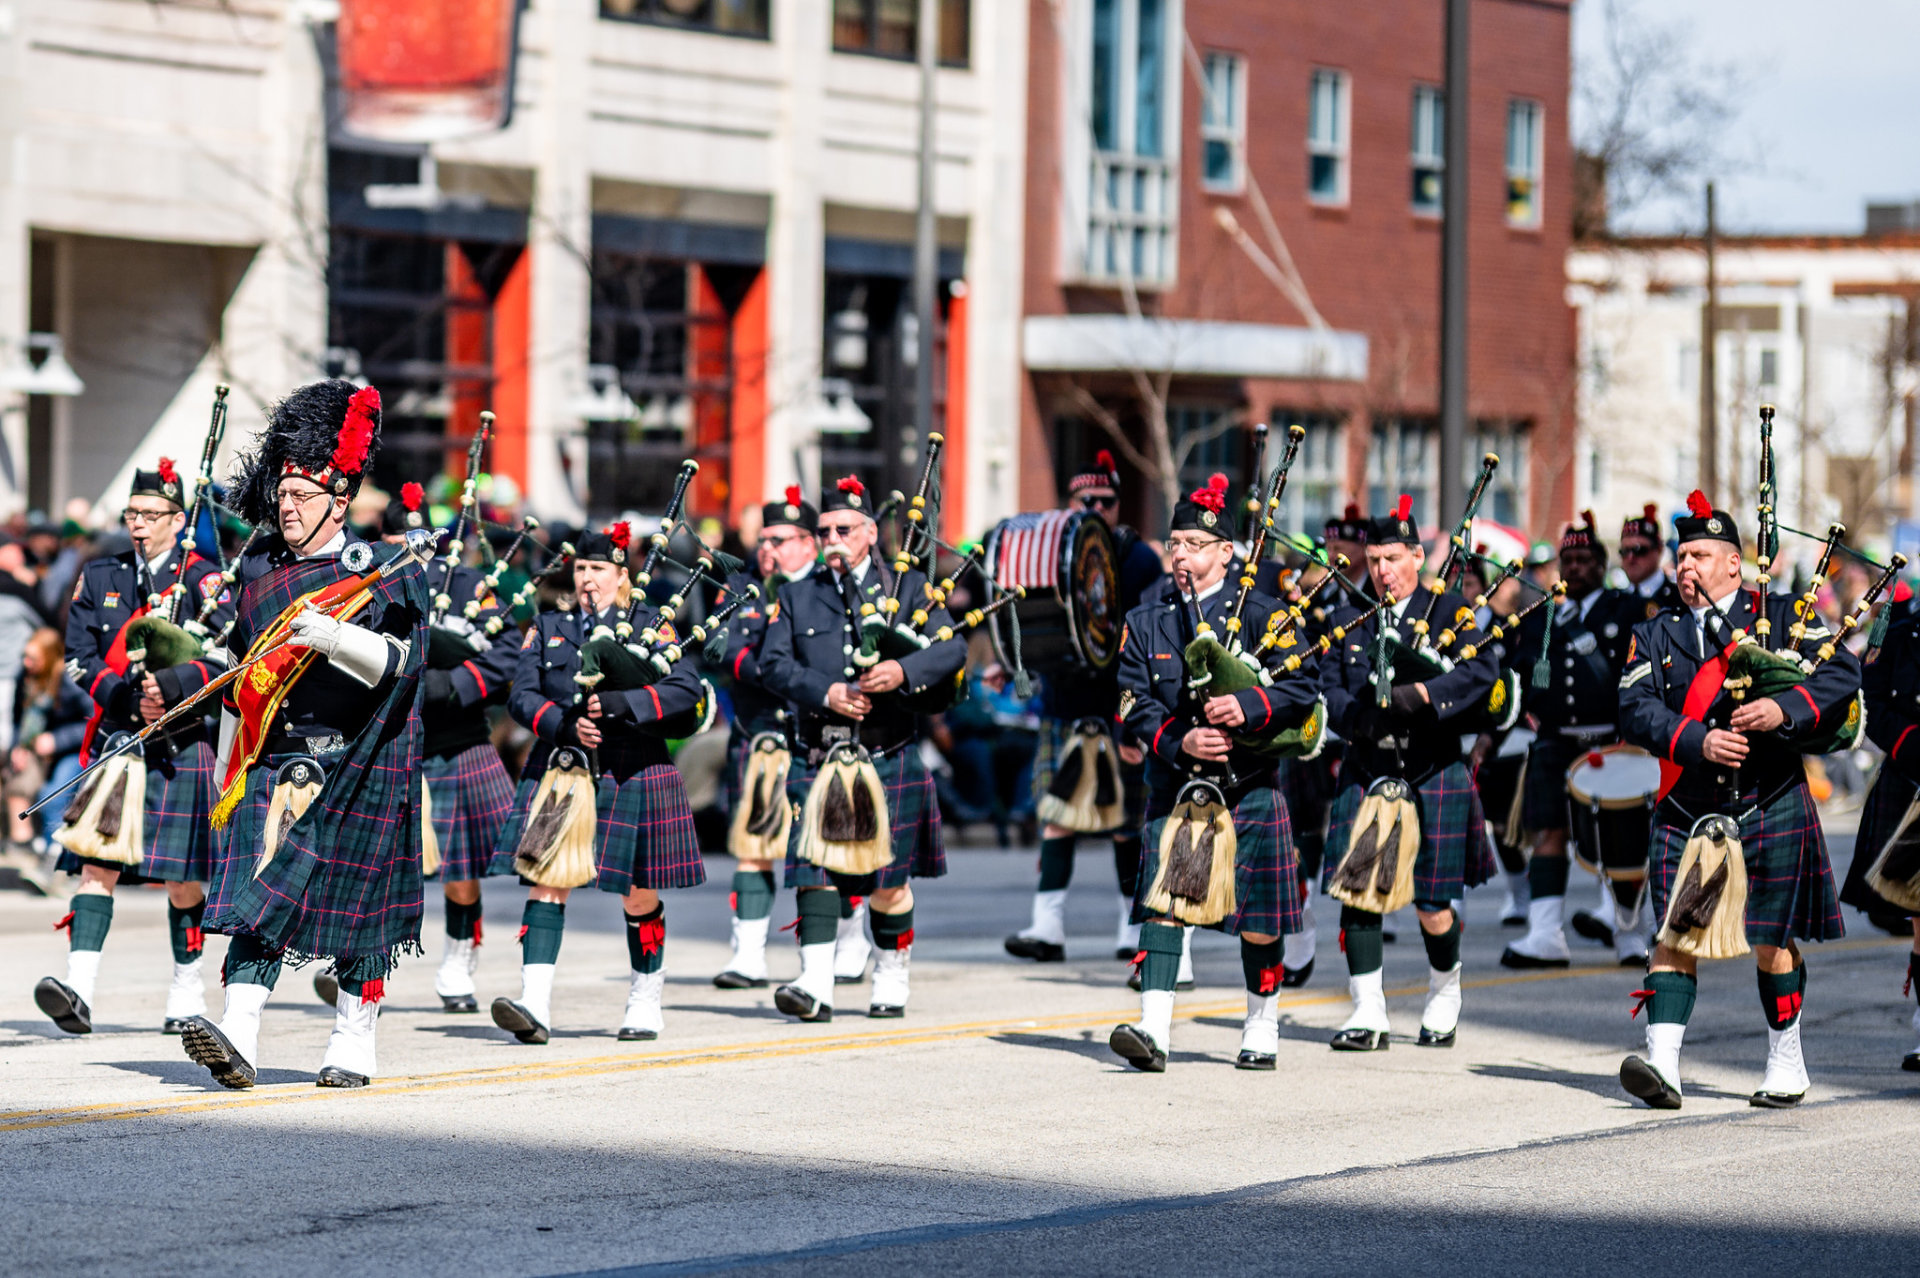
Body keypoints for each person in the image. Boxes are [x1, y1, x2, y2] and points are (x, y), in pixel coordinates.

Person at [180, 380, 430, 1089]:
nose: (285, 508)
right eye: (282, 495)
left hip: (360, 757)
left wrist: (335, 637)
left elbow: (405, 666)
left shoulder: (386, 568)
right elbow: (242, 663)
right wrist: (226, 747)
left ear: (339, 499)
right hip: (275, 753)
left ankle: (353, 1040)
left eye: (302, 497)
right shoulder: (258, 567)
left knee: (361, 911)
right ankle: (238, 1033)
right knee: (257, 897)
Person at [1616, 491, 1859, 1110]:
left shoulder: (1781, 617)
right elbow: (1634, 708)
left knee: (1771, 939)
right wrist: (1696, 739)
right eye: (1682, 554)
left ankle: (1786, 1058)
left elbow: (1841, 674)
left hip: (1767, 796)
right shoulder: (1653, 633)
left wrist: (1783, 708)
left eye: (1699, 554)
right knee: (1675, 933)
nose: (1686, 565)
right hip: (1689, 806)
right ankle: (1663, 1065)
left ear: (1733, 562)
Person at [1107, 474, 1314, 1072]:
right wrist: (1179, 739)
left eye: (1194, 544)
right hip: (1178, 785)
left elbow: (1305, 687)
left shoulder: (1266, 617)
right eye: (1174, 543)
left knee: (1258, 920)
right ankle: (1153, 1029)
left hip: (1248, 787)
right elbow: (1129, 701)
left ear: (1227, 553)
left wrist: (1247, 708)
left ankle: (1262, 1020)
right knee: (1166, 907)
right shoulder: (1147, 621)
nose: (1180, 555)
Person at [33, 459, 234, 1037]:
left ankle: (187, 988)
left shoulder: (205, 580)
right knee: (96, 864)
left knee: (181, 875)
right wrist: (128, 699)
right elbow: (77, 659)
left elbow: (225, 657)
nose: (138, 524)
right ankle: (79, 987)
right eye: (132, 514)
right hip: (120, 735)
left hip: (183, 737)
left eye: (151, 515)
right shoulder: (100, 575)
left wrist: (169, 690)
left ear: (178, 519)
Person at [487, 521, 707, 1044]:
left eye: (599, 569)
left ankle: (645, 995)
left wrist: (622, 704)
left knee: (636, 893)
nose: (588, 579)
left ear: (620, 574)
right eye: (581, 568)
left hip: (633, 768)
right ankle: (534, 1003)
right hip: (563, 767)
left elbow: (685, 690)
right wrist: (564, 724)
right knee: (546, 879)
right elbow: (521, 695)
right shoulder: (548, 625)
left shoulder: (654, 624)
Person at [757, 474, 966, 1022]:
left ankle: (892, 974)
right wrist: (824, 691)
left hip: (885, 753)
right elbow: (773, 666)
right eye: (824, 529)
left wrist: (902, 669)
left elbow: (953, 648)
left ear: (871, 533)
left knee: (887, 884)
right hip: (820, 755)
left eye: (843, 529)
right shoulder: (797, 596)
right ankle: (815, 982)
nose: (831, 539)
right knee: (814, 873)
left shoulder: (910, 588)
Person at [1318, 497, 1498, 1052]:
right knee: (1359, 894)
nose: (1381, 571)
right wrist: (1361, 718)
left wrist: (1422, 694)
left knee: (1432, 902)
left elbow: (1482, 675)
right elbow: (1329, 686)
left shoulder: (1451, 613)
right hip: (1370, 763)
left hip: (1433, 765)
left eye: (1392, 558)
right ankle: (1368, 1011)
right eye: (1373, 559)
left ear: (1418, 556)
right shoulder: (1347, 617)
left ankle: (1445, 989)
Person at [1006, 450, 1165, 965]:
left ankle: (1129, 925)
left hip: (1115, 703)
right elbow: (1028, 619)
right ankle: (1046, 928)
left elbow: (1144, 640)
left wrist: (1133, 720)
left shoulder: (1137, 559)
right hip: (1064, 702)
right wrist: (1014, 662)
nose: (1097, 506)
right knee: (1057, 817)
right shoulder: (1049, 552)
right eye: (1086, 499)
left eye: (1107, 500)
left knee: (1124, 822)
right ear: (1070, 502)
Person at [388, 482, 518, 1014]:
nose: (407, 553)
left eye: (416, 542)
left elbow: (509, 653)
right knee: (372, 865)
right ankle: (353, 957)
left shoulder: (471, 587)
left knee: (460, 871)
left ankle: (460, 959)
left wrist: (451, 684)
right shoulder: (367, 589)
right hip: (391, 744)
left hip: (456, 741)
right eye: (398, 542)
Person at [1501, 512, 1645, 969]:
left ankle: (1629, 934)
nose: (1576, 567)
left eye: (1585, 559)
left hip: (1611, 744)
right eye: (1569, 559)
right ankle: (1545, 936)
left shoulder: (1627, 610)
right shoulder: (1543, 615)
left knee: (1619, 841)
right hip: (1554, 742)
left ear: (1602, 565)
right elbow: (1519, 671)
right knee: (1548, 834)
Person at [710, 486, 821, 990]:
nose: (767, 548)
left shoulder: (829, 588)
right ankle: (748, 954)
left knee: (830, 848)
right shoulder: (740, 588)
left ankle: (846, 947)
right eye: (764, 539)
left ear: (809, 544)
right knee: (753, 845)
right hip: (759, 734)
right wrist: (781, 672)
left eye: (780, 539)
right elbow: (723, 651)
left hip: (818, 740)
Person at [1841, 592, 1920, 1069]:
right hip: (1912, 776)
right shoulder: (1898, 626)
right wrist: (1910, 744)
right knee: (1919, 919)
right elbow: (1870, 691)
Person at [5, 628, 90, 861]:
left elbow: (92, 721)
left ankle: (55, 857)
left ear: (50, 656)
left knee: (52, 795)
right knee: (17, 782)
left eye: (33, 658)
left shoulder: (69, 681)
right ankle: (25, 846)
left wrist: (57, 740)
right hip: (34, 746)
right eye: (25, 656)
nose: (26, 662)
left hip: (73, 749)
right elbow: (17, 720)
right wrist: (17, 748)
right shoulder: (25, 677)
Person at [1619, 503, 1680, 618]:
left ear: (1659, 549)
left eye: (1639, 550)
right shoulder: (1612, 602)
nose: (1631, 558)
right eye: (1625, 551)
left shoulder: (1678, 599)